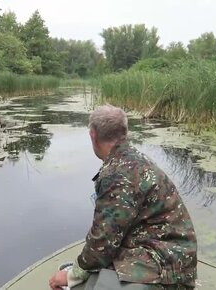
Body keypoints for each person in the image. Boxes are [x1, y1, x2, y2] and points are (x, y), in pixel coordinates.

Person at [49, 105, 197, 290]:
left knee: (82, 286)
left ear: (93, 136)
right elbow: (108, 232)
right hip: (170, 253)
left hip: (167, 265)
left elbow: (103, 241)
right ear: (125, 132)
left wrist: (72, 275)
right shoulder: (132, 158)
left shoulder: (117, 174)